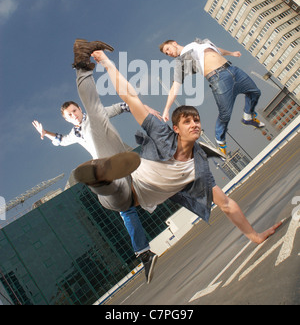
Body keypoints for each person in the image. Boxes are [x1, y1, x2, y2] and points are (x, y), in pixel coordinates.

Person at [73, 45, 281, 255]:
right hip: (128, 177)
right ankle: (82, 64)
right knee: (97, 118)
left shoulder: (199, 168)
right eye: (187, 122)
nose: (194, 125)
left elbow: (226, 204)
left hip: (128, 197)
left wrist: (255, 236)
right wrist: (108, 64)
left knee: (117, 193)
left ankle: (98, 180)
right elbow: (130, 97)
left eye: (197, 121)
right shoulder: (162, 133)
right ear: (175, 129)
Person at [32, 39, 158, 283]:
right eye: (70, 115)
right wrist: (45, 133)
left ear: (80, 109)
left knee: (153, 184)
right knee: (126, 209)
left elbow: (123, 106)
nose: (75, 115)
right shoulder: (73, 134)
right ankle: (144, 253)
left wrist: (146, 111)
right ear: (68, 120)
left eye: (75, 111)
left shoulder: (95, 114)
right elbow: (60, 141)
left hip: (123, 157)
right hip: (110, 171)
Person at [159, 38, 265, 156]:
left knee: (254, 92)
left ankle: (248, 116)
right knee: (225, 114)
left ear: (174, 43)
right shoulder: (181, 62)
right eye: (166, 54)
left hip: (231, 69)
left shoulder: (198, 43)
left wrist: (231, 53)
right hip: (218, 78)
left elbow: (216, 50)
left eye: (167, 49)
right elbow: (175, 86)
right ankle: (220, 141)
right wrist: (166, 110)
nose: (169, 53)